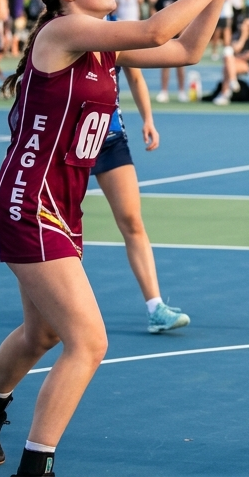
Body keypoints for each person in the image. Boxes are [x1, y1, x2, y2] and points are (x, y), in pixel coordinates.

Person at [0, 0, 244, 477]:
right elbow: (158, 27)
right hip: (28, 202)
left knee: (43, 333)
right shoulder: (64, 33)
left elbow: (186, 48)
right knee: (89, 342)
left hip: (58, 206)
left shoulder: (102, 43)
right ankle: (37, 467)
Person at [94, 64, 191, 333]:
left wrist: (148, 118)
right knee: (58, 225)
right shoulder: (65, 27)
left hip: (109, 138)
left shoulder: (115, 32)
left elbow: (135, 76)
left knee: (132, 221)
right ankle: (44, 307)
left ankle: (155, 308)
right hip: (66, 140)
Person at [154, 0, 188, 102]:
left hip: (180, 38)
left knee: (180, 65)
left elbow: (188, 18)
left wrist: (183, 34)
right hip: (165, 37)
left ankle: (181, 91)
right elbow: (154, 15)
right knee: (165, 65)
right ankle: (164, 91)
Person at [213, 19, 249, 106]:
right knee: (228, 61)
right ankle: (232, 81)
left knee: (228, 65)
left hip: (248, 66)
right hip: (234, 64)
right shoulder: (236, 36)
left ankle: (225, 93)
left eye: (248, 26)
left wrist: (244, 36)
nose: (246, 27)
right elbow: (235, 48)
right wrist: (243, 37)